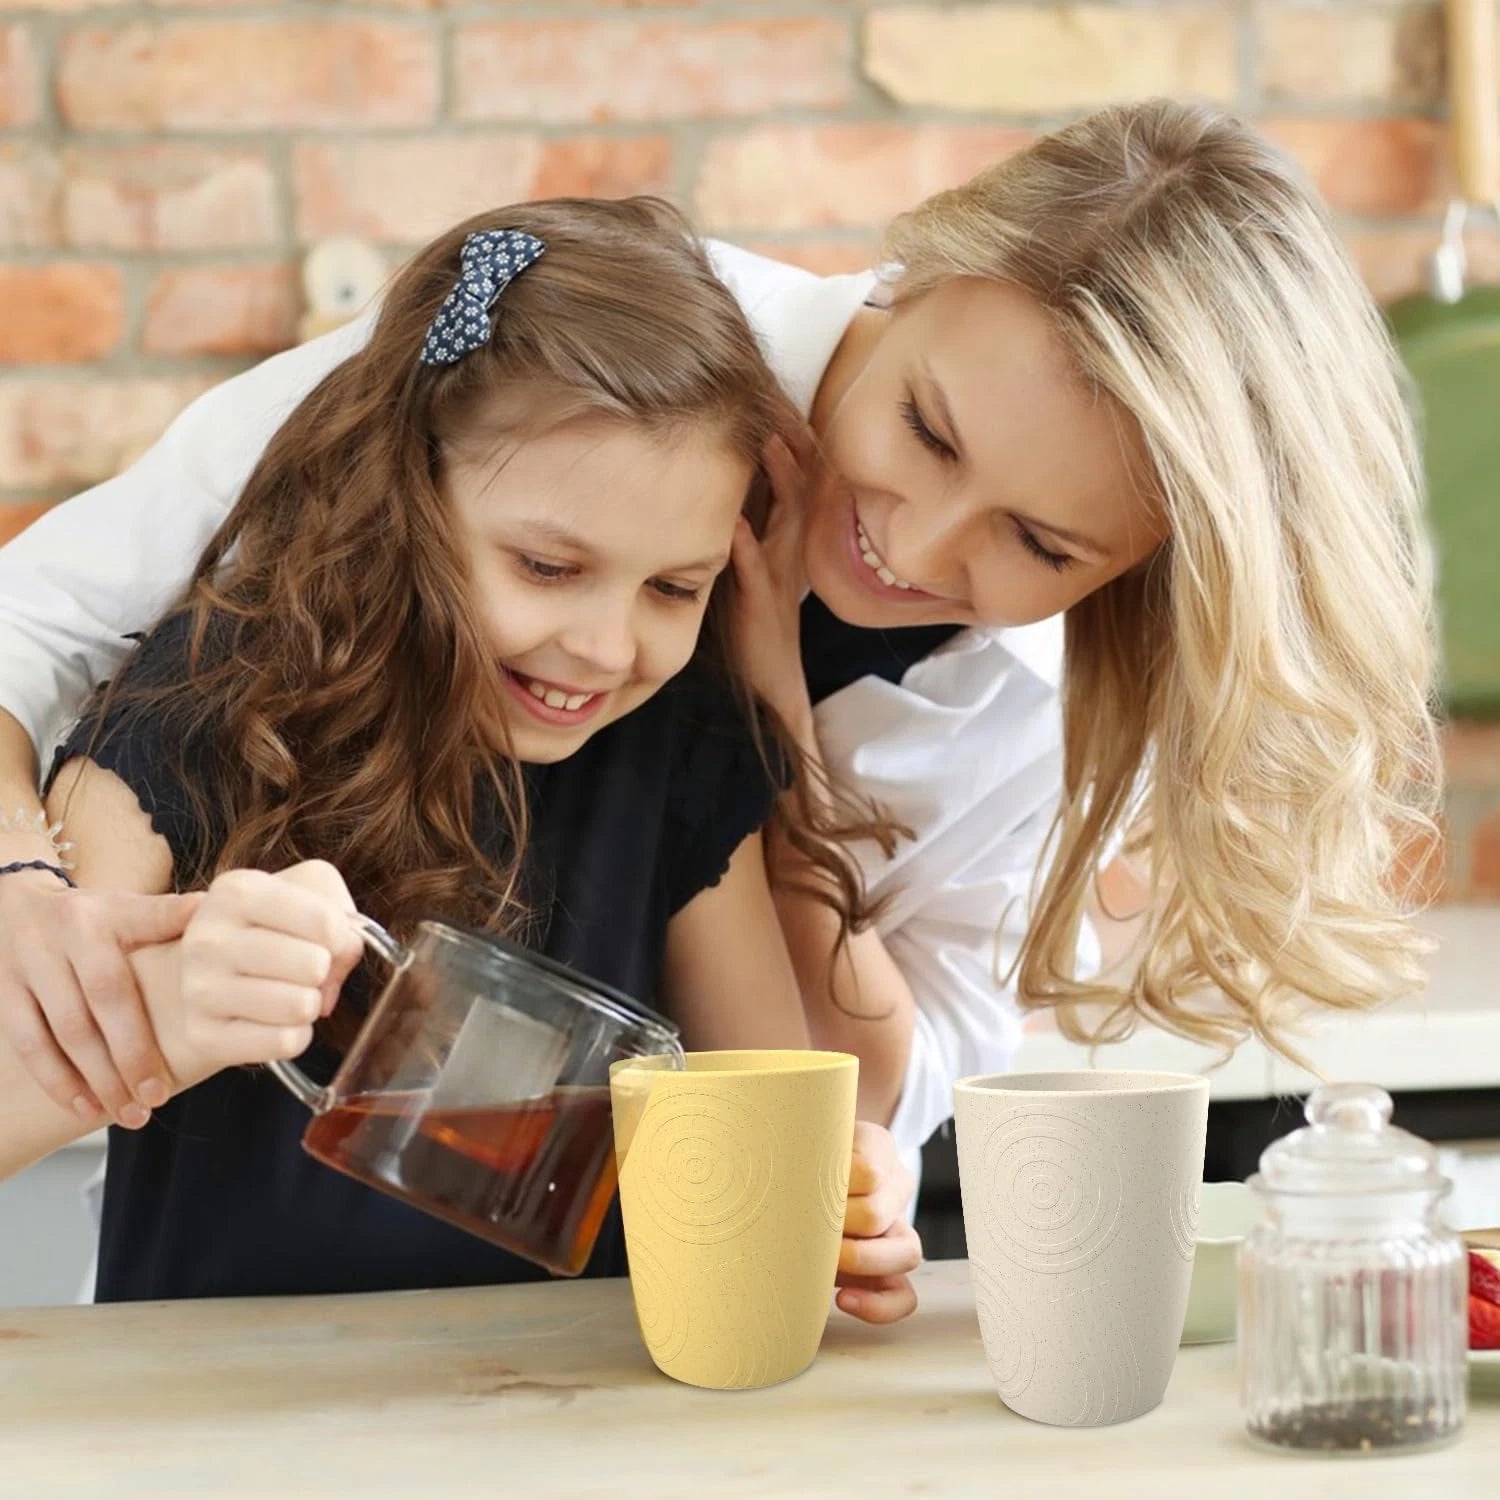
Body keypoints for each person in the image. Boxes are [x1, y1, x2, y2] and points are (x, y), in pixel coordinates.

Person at [0, 100, 1440, 1189]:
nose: (919, 552)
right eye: (928, 429)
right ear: (907, 272)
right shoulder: (577, 354)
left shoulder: (965, 712)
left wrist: (769, 735)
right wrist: (28, 886)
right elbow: (44, 616)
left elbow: (842, 1111)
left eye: (1042, 547)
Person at [0, 198, 921, 1317]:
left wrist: (837, 1201)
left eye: (673, 588)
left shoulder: (676, 746)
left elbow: (770, 1104)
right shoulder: (208, 706)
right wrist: (173, 1007)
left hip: (582, 1424)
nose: (606, 645)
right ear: (409, 497)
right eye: (544, 567)